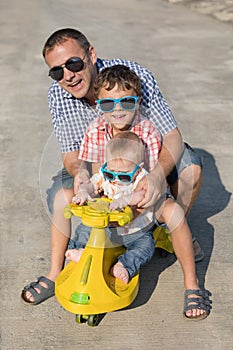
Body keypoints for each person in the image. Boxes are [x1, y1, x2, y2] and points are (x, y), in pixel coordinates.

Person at [21, 28, 204, 306]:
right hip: (102, 171)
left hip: (144, 168)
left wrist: (155, 179)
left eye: (73, 63)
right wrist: (87, 180)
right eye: (57, 71)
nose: (67, 75)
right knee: (59, 197)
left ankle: (170, 247)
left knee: (189, 170)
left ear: (91, 55)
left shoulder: (135, 80)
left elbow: (171, 137)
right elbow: (74, 157)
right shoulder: (73, 108)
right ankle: (56, 271)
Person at [66, 132, 157, 285]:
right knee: (84, 229)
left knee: (146, 246)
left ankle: (124, 265)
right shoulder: (104, 174)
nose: (115, 179)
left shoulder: (143, 177)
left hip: (134, 231)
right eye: (110, 173)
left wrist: (125, 200)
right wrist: (83, 191)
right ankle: (79, 250)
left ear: (139, 168)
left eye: (123, 177)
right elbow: (91, 184)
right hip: (107, 227)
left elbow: (142, 195)